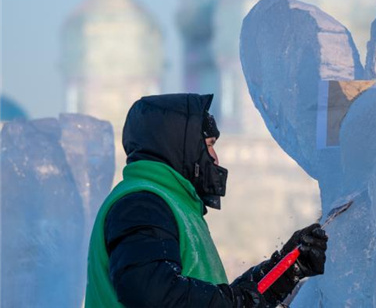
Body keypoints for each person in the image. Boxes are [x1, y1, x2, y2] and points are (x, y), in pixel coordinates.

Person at [86, 93, 328, 308]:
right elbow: (151, 292)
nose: (215, 156)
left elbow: (211, 296)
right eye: (209, 144)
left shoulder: (171, 205)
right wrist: (235, 302)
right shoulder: (142, 204)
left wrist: (287, 267)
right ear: (181, 146)